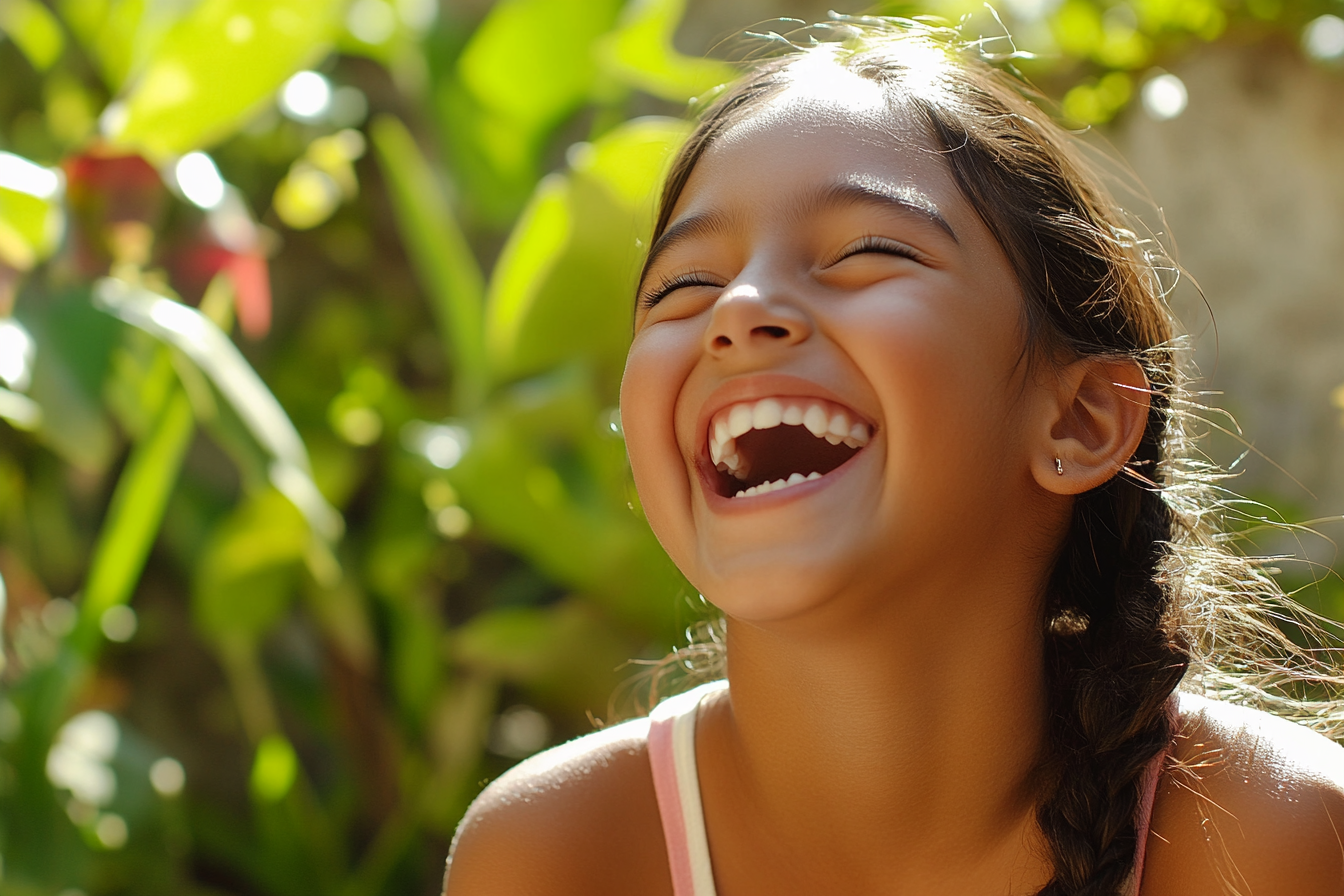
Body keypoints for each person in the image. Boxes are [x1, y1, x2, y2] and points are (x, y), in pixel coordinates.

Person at [443, 16, 1344, 896]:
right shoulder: (554, 856)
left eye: (867, 252)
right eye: (685, 285)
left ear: (1079, 420)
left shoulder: (1277, 842)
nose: (740, 305)